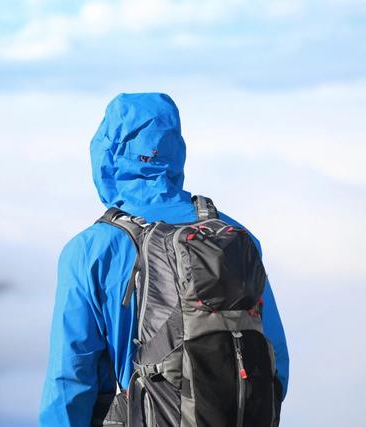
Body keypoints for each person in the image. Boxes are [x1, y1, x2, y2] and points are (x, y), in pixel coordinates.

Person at [39, 93, 289, 426]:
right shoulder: (236, 237)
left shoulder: (90, 249)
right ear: (176, 150)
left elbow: (70, 381)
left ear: (106, 153)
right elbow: (276, 364)